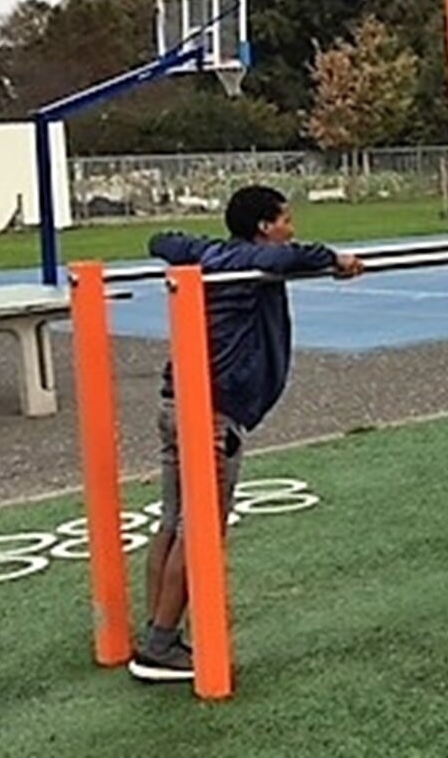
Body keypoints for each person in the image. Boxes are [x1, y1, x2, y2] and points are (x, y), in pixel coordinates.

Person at [133, 185, 363, 682]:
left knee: (174, 521)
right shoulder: (254, 260)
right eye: (285, 220)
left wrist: (184, 247)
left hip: (175, 401)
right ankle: (160, 646)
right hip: (211, 413)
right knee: (198, 530)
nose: (291, 228)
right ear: (264, 227)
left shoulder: (209, 252)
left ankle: (155, 631)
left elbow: (162, 241)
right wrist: (338, 259)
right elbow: (296, 256)